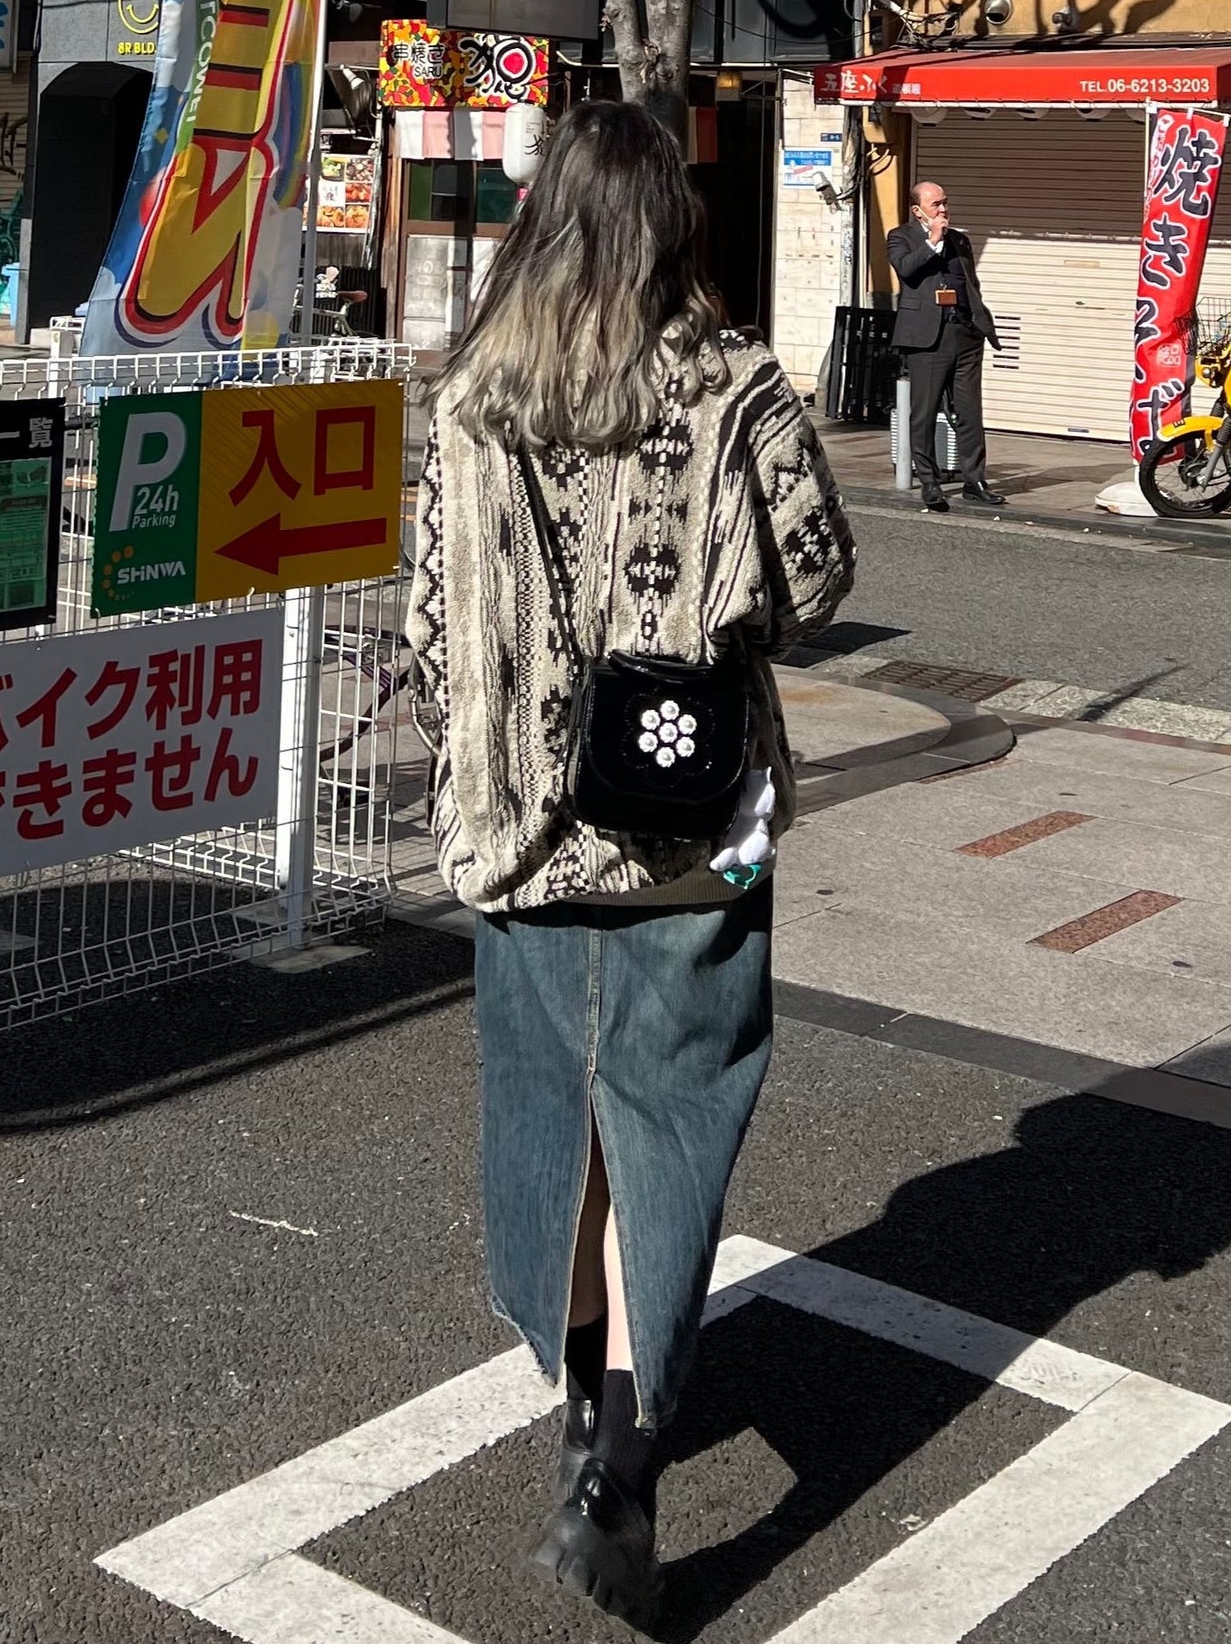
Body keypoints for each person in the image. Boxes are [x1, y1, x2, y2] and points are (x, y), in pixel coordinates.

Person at [405, 100, 854, 1627]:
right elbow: (811, 583)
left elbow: (425, 616)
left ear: (541, 217)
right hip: (686, 835)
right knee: (669, 1118)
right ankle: (630, 1449)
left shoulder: (470, 396)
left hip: (522, 833)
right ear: (676, 225)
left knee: (553, 1113)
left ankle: (576, 1412)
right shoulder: (734, 388)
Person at [887, 180, 1006, 511]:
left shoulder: (960, 241)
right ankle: (929, 480)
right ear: (917, 210)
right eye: (935, 204)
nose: (943, 209)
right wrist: (933, 241)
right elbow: (906, 270)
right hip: (927, 338)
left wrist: (977, 322)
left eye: (945, 203)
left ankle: (975, 479)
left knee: (969, 411)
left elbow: (969, 283)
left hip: (964, 334)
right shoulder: (901, 237)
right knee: (924, 413)